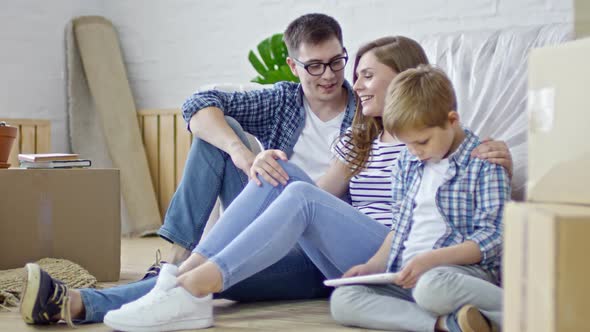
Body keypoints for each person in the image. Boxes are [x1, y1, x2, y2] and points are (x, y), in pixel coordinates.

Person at [19, 20, 511, 328]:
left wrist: (501, 155)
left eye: (360, 71)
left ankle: (179, 277)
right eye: (349, 70)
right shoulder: (360, 137)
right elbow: (316, 196)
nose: (346, 80)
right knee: (232, 268)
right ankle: (86, 303)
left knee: (284, 193)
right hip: (346, 255)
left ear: (402, 79)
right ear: (296, 66)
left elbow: (459, 156)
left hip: (383, 252)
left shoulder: (428, 139)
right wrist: (257, 182)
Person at [329, 65, 510, 332]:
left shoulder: (484, 162)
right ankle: (447, 325)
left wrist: (432, 260)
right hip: (405, 276)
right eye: (408, 143)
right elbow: (399, 230)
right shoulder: (406, 163)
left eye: (422, 142)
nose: (414, 151)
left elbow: (495, 236)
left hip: (455, 276)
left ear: (452, 120)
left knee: (431, 287)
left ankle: (518, 312)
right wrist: (370, 267)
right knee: (343, 300)